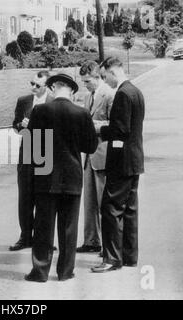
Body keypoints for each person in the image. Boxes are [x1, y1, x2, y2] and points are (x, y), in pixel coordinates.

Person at [25, 73, 98, 282]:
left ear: (55, 87)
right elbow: (90, 146)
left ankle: (40, 271)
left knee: (43, 227)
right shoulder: (82, 113)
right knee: (69, 228)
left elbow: (32, 146)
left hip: (45, 176)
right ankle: (66, 271)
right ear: (72, 90)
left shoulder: (40, 110)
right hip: (72, 176)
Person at [91, 57, 145, 273]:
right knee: (130, 209)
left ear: (114, 72)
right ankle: (129, 256)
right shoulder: (136, 91)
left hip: (121, 161)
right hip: (134, 159)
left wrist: (99, 129)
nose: (106, 81)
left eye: (105, 76)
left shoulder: (122, 93)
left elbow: (120, 130)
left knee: (111, 208)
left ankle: (112, 258)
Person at [10, 71, 53, 251]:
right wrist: (22, 126)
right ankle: (25, 237)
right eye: (32, 83)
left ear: (47, 87)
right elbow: (15, 125)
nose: (33, 87)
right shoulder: (24, 101)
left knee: (45, 198)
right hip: (27, 152)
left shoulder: (54, 102)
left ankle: (44, 240)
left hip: (46, 153)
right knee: (25, 197)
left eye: (38, 85)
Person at [77, 61, 115, 254]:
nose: (86, 85)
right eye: (84, 82)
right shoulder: (87, 96)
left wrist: (93, 125)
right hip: (89, 155)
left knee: (104, 203)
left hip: (104, 154)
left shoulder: (109, 94)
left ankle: (109, 245)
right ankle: (92, 240)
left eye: (87, 81)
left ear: (97, 77)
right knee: (89, 201)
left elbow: (115, 123)